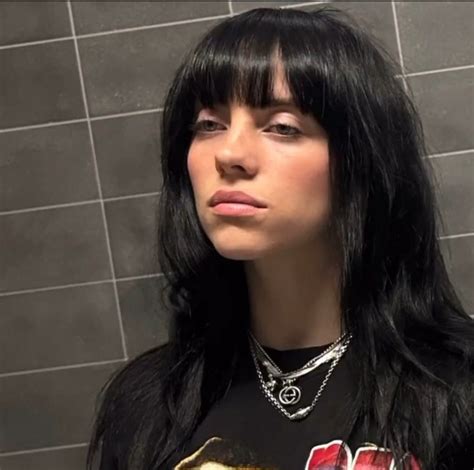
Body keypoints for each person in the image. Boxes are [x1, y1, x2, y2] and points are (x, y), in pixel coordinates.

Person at [86, 6, 474, 470]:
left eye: (282, 127)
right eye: (209, 124)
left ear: (362, 163)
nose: (230, 154)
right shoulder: (146, 407)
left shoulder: (457, 390)